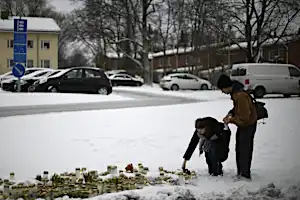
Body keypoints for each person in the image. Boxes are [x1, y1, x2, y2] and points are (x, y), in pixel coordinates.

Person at [217, 74, 257, 181]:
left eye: (222, 89)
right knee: (240, 148)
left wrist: (231, 119)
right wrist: (231, 113)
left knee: (244, 149)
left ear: (226, 86)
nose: (222, 91)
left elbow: (244, 118)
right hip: (244, 125)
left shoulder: (240, 96)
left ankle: (244, 175)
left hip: (247, 125)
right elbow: (237, 109)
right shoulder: (236, 93)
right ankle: (241, 173)